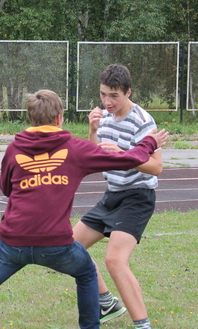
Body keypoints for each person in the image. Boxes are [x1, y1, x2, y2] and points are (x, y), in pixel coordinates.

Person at [0, 89, 168, 329]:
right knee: (86, 273)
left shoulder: (14, 149)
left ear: (31, 118)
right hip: (56, 245)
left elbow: (6, 189)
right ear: (59, 118)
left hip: (12, 243)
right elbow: (128, 160)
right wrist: (150, 142)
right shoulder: (75, 149)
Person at [72, 64, 162, 329]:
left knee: (114, 260)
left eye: (114, 96)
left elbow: (156, 167)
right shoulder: (104, 116)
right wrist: (92, 131)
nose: (107, 101)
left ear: (128, 93)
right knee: (69, 246)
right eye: (103, 94)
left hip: (137, 196)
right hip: (112, 195)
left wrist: (123, 154)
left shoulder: (143, 121)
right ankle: (106, 302)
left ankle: (143, 325)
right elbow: (96, 157)